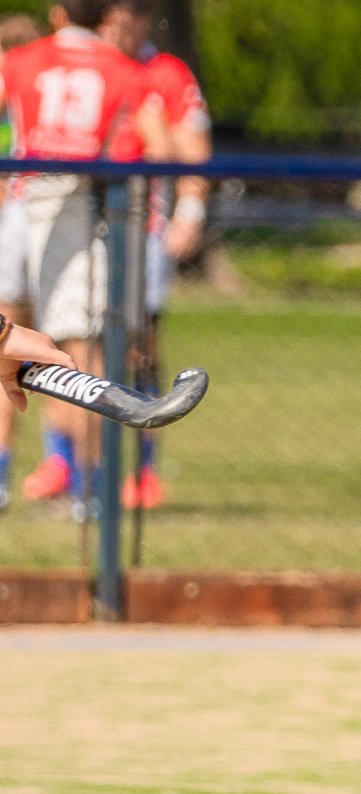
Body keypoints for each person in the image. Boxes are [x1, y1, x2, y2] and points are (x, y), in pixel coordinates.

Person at [3, 0, 169, 520]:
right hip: (81, 210)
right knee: (77, 347)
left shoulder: (20, 59)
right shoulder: (125, 69)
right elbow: (161, 149)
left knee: (10, 340)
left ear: (56, 13)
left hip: (21, 204)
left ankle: (7, 477)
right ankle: (92, 489)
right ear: (104, 18)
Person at [103, 0, 210, 511]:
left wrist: (190, 209)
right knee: (70, 344)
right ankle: (70, 464)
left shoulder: (164, 73)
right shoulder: (85, 65)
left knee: (139, 343)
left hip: (141, 225)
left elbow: (190, 148)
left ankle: (143, 469)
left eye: (131, 18)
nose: (121, 29)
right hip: (74, 224)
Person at [0, 12, 48, 512]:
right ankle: (73, 475)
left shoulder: (19, 75)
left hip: (21, 216)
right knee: (66, 345)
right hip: (55, 218)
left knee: (8, 350)